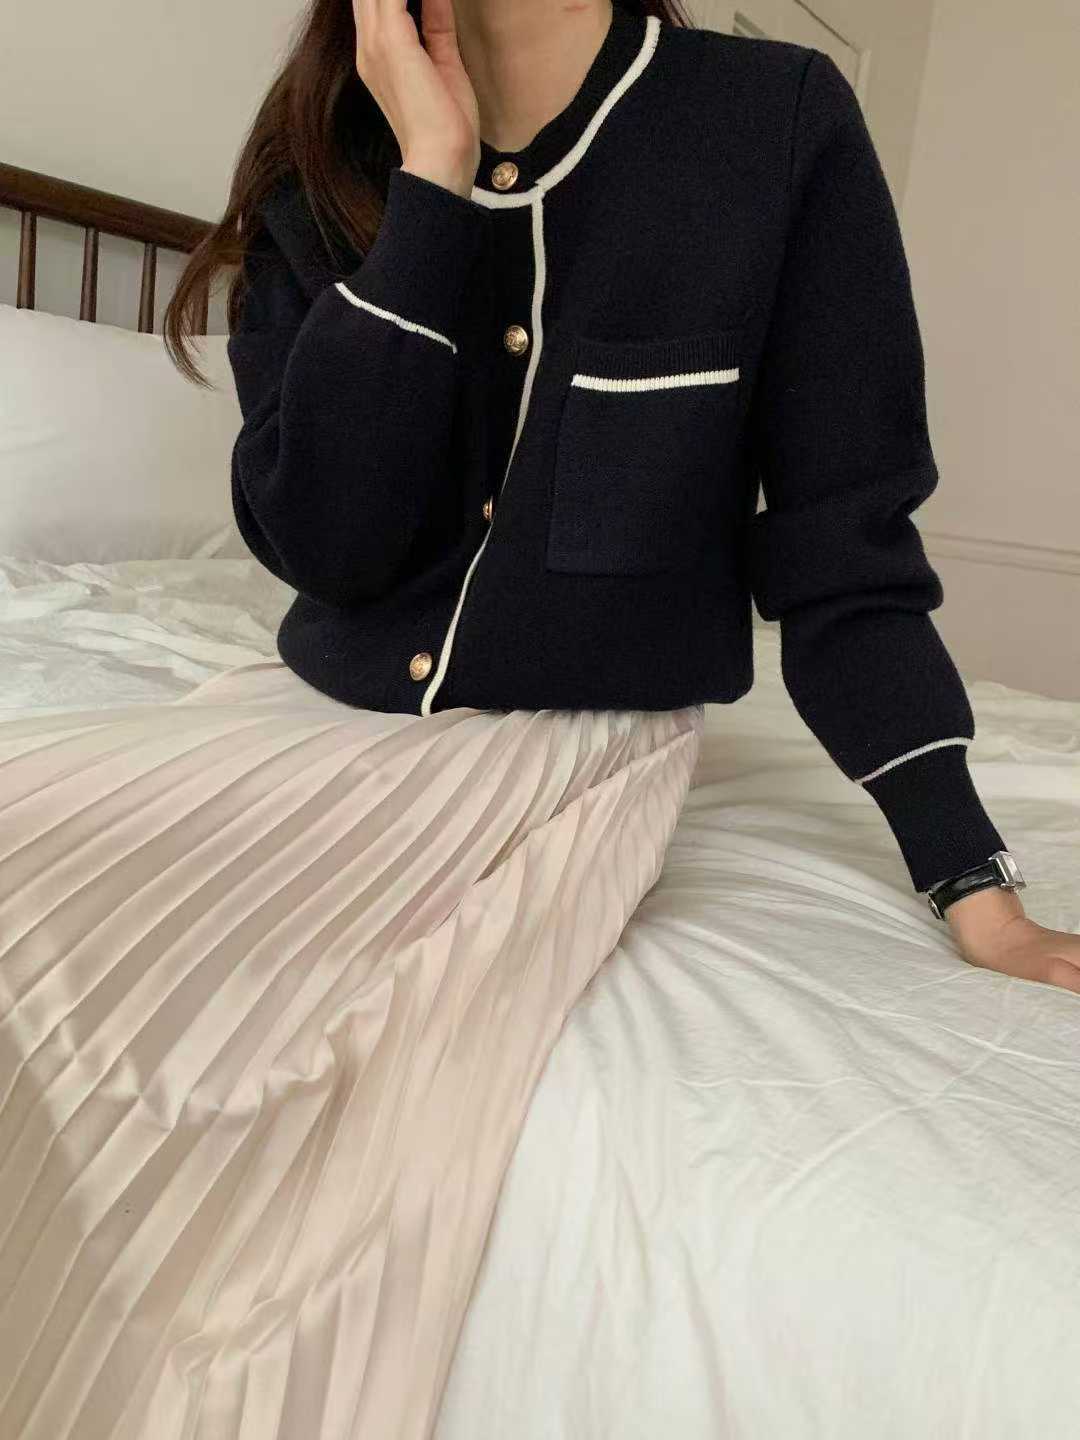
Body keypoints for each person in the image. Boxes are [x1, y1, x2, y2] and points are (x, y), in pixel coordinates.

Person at [3, 4, 1076, 1440]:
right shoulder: (325, 154)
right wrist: (432, 186)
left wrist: (973, 884)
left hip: (558, 756)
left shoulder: (773, 126)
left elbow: (846, 555)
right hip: (310, 720)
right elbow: (326, 540)